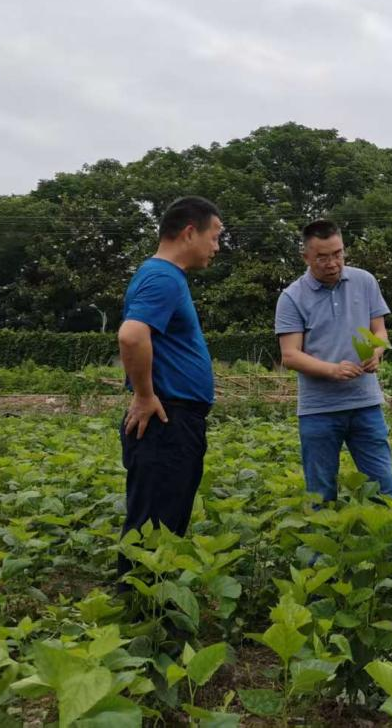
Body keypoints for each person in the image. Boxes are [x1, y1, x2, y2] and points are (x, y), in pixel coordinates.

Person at [116, 196, 223, 579]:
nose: (217, 247)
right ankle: (142, 601)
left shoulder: (165, 276)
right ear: (190, 232)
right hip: (167, 418)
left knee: (165, 515)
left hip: (176, 418)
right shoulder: (162, 277)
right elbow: (131, 335)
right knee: (154, 523)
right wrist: (145, 395)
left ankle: (152, 598)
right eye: (215, 236)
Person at [275, 220, 392, 502]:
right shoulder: (292, 297)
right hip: (318, 409)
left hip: (365, 404)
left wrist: (376, 352)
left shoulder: (365, 281)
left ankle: (385, 528)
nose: (332, 263)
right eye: (322, 257)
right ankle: (323, 530)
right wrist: (332, 370)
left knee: (383, 485)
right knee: (320, 492)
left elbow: (379, 331)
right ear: (306, 257)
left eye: (338, 254)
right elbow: (290, 355)